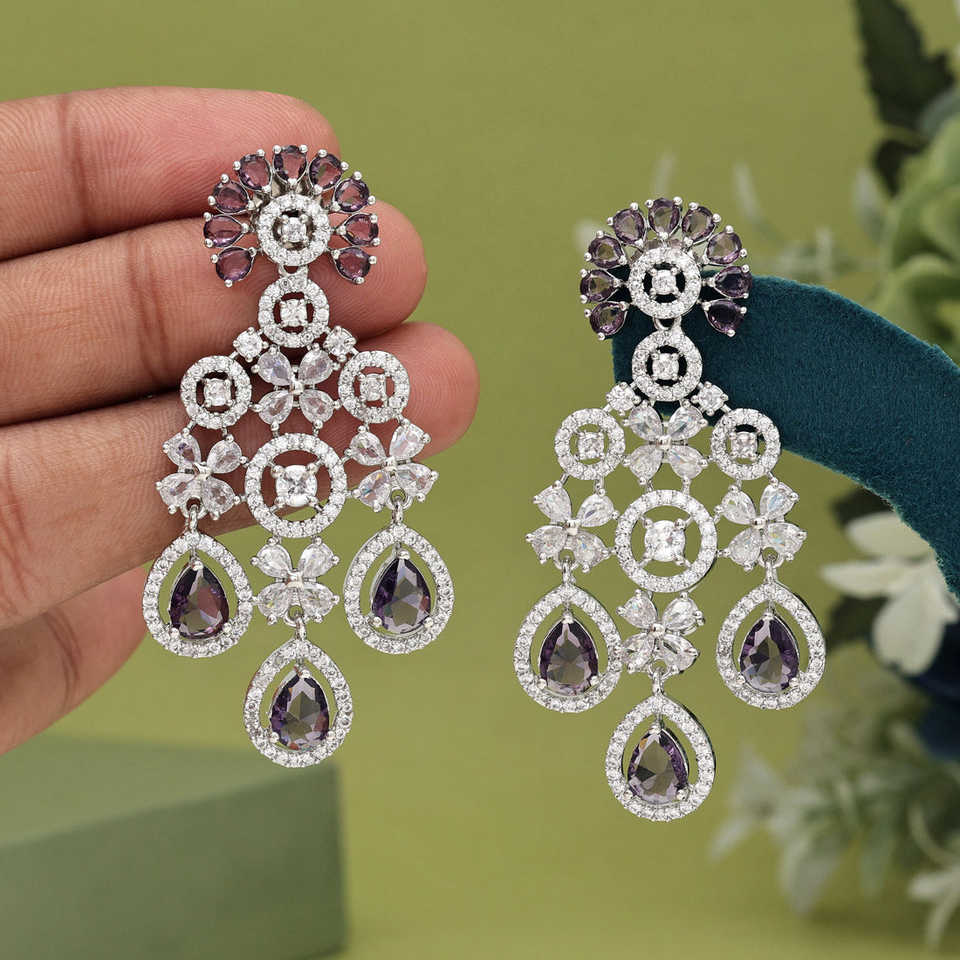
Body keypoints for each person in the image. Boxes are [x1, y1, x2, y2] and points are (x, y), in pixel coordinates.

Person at [0, 86, 479, 751]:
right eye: (283, 227)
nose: (293, 235)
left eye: (302, 227)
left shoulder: (342, 365)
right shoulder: (241, 365)